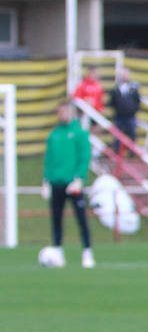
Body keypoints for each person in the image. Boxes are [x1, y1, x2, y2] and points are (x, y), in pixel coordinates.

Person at [41, 101, 95, 268]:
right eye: (60, 112)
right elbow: (48, 160)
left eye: (65, 111)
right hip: (57, 183)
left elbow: (84, 156)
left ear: (70, 112)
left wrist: (79, 178)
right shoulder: (54, 135)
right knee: (56, 219)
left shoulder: (79, 133)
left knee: (81, 219)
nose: (62, 114)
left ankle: (87, 252)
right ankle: (58, 252)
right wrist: (46, 180)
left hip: (73, 183)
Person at [108, 68, 142, 157]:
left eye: (126, 74)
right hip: (119, 116)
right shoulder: (116, 89)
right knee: (118, 136)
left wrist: (133, 110)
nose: (124, 76)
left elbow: (137, 101)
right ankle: (116, 154)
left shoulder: (133, 88)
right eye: (123, 74)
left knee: (132, 135)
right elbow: (112, 102)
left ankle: (132, 153)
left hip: (130, 116)